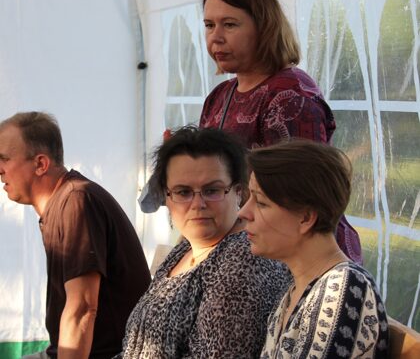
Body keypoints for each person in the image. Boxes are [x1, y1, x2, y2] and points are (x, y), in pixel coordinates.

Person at [199, 0, 362, 264]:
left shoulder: (290, 96)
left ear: (264, 28)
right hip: (247, 249)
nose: (216, 37)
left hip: (298, 259)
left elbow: (302, 197)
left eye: (230, 24)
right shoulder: (220, 95)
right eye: (209, 25)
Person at [118, 126, 291, 358]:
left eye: (212, 190)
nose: (197, 204)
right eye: (183, 192)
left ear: (238, 192)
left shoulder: (243, 260)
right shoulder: (186, 249)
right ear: (167, 197)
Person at [0, 112, 151, 359]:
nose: (0, 170)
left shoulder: (76, 201)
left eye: (4, 159)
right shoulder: (64, 201)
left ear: (40, 164)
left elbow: (83, 308)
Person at [239, 139, 388, 358]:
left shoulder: (342, 289)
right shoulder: (298, 290)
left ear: (306, 218)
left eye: (261, 202)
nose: (243, 212)